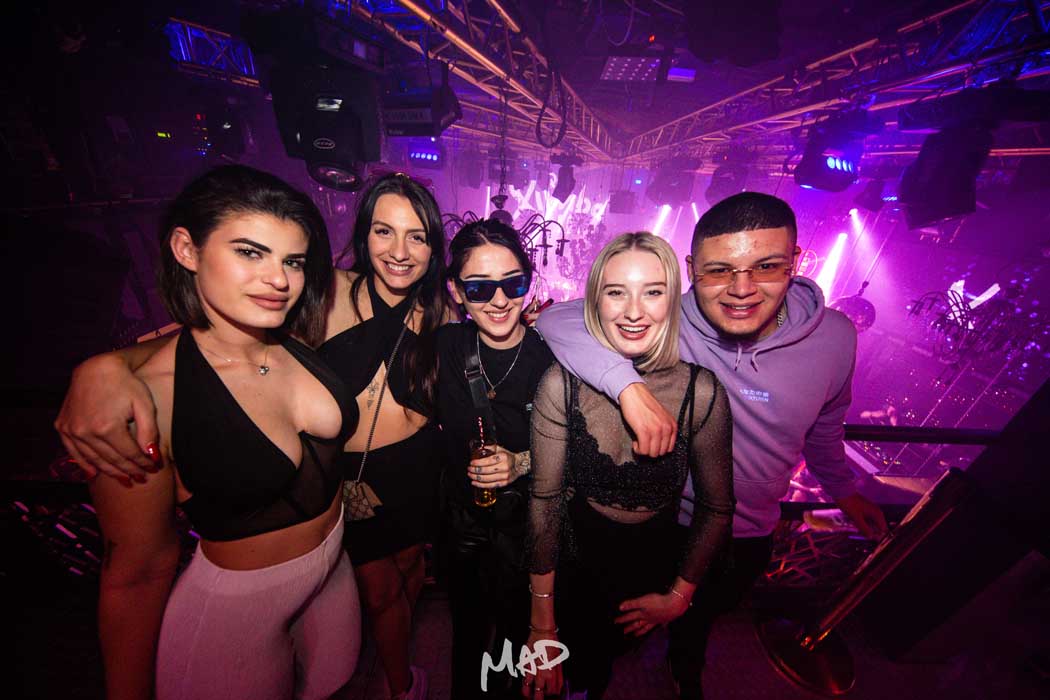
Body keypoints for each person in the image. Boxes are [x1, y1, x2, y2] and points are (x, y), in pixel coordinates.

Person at [56, 172, 452, 700]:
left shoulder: (438, 310)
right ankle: (400, 683)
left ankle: (400, 675)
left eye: (417, 236)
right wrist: (104, 367)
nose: (277, 279)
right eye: (384, 231)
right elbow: (136, 575)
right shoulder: (328, 293)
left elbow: (231, 343)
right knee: (380, 596)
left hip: (385, 505)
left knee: (393, 596)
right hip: (332, 509)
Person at [534, 192, 889, 696]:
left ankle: (683, 672)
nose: (741, 290)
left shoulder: (835, 338)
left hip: (748, 531)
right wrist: (628, 387)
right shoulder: (666, 320)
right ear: (692, 270)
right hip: (665, 523)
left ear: (795, 262)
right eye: (719, 271)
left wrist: (845, 492)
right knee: (622, 626)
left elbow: (825, 430)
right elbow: (558, 319)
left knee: (698, 623)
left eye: (765, 266)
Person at [87, 165, 361, 700]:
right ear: (186, 250)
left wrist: (103, 364)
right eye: (250, 252)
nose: (279, 280)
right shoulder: (145, 401)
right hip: (234, 621)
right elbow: (136, 576)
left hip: (333, 575)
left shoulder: (293, 335)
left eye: (292, 261)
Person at [525, 232, 734, 700]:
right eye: (616, 292)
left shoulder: (701, 392)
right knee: (573, 666)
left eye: (652, 291)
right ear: (594, 302)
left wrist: (679, 596)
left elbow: (717, 506)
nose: (634, 311)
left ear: (672, 301)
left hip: (650, 568)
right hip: (571, 562)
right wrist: (541, 622)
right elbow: (544, 503)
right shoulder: (561, 383)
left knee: (605, 666)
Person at [436, 219, 555, 699]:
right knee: (465, 632)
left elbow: (583, 452)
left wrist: (521, 462)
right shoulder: (444, 348)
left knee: (511, 637)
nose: (500, 300)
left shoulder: (552, 357)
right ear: (456, 292)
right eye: (480, 288)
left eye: (513, 284)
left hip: (522, 531)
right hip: (460, 526)